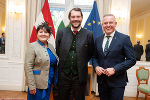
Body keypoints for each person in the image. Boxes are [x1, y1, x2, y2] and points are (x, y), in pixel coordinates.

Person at [93, 14, 136, 100]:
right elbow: (94, 57)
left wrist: (115, 69)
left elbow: (132, 60)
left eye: (110, 22)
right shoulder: (98, 39)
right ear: (102, 25)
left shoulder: (124, 38)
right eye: (105, 23)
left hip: (117, 82)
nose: (108, 25)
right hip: (102, 82)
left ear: (115, 24)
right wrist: (96, 66)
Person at [56, 8, 94, 100]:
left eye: (78, 16)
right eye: (73, 17)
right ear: (70, 18)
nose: (75, 19)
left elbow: (90, 53)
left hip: (80, 76)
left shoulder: (89, 34)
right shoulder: (61, 32)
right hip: (64, 75)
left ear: (81, 18)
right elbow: (58, 50)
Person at [24, 22, 58, 100]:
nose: (43, 34)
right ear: (37, 34)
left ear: (49, 35)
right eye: (41, 32)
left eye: (46, 32)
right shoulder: (32, 46)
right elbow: (28, 67)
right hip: (37, 83)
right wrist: (31, 85)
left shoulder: (51, 46)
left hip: (49, 82)